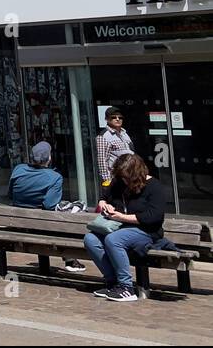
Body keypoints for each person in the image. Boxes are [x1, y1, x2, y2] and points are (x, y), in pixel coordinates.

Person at [82, 153, 169, 302]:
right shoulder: (119, 183)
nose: (124, 181)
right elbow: (105, 197)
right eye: (122, 177)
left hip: (146, 231)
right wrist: (104, 204)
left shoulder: (155, 187)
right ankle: (112, 282)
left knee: (113, 239)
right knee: (90, 239)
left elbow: (152, 217)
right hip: (120, 227)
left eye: (126, 177)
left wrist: (122, 217)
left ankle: (126, 287)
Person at [9, 141, 87, 272]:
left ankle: (69, 259)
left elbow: (11, 194)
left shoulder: (19, 169)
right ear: (49, 158)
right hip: (42, 224)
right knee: (66, 219)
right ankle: (69, 259)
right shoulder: (54, 177)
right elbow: (49, 205)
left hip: (19, 222)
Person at [95, 107, 133, 193]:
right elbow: (102, 161)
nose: (117, 119)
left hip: (130, 176)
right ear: (107, 119)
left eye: (120, 117)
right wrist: (107, 181)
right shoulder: (103, 136)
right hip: (116, 179)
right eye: (113, 117)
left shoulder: (125, 134)